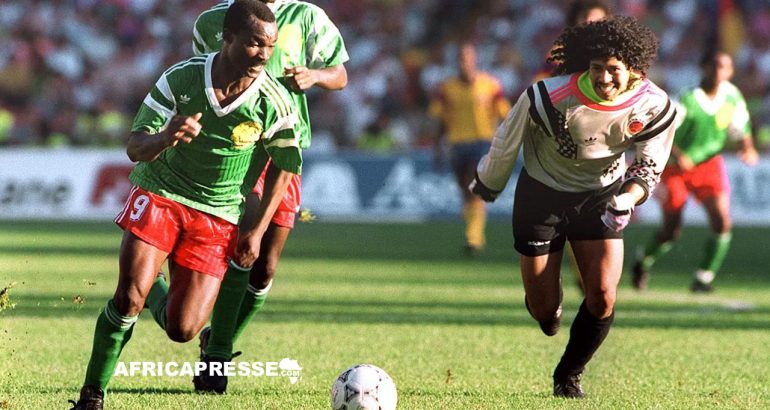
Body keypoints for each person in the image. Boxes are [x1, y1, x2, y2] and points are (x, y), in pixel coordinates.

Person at [68, 1, 301, 408]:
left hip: (218, 212)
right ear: (228, 37)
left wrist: (258, 229)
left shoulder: (274, 101)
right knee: (127, 300)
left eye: (270, 46)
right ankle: (91, 394)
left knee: (183, 328)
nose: (264, 54)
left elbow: (285, 165)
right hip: (161, 194)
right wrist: (165, 137)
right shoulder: (182, 77)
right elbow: (134, 146)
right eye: (254, 43)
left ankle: (153, 285)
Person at [469, 16, 677, 398]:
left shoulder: (654, 105)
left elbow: (649, 166)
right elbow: (506, 140)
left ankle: (568, 376)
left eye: (613, 69)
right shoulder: (547, 96)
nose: (604, 78)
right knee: (544, 312)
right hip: (541, 196)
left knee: (603, 296)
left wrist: (626, 199)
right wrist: (488, 181)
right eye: (597, 68)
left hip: (601, 196)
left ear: (634, 69)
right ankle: (547, 306)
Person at [159, 0, 347, 393]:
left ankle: (214, 338)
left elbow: (340, 75)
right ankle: (217, 356)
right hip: (236, 151)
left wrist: (315, 75)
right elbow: (204, 76)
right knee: (241, 247)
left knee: (265, 267)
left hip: (284, 151)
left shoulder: (307, 16)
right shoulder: (212, 21)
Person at [631, 50, 758, 293]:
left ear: (731, 72)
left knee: (722, 222)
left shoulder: (732, 97)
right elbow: (661, 130)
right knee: (671, 230)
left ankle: (703, 278)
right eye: (714, 65)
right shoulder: (687, 98)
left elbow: (741, 128)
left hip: (709, 166)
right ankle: (643, 260)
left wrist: (748, 148)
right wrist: (679, 155)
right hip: (674, 169)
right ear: (704, 67)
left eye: (724, 66)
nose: (719, 71)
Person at [429, 42, 511, 255]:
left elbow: (505, 114)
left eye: (467, 58)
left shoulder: (490, 85)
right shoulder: (446, 88)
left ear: (475, 60)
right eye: (461, 59)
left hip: (482, 142)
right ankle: (474, 231)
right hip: (457, 144)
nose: (464, 63)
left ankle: (473, 238)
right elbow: (440, 120)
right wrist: (437, 148)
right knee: (465, 192)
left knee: (473, 186)